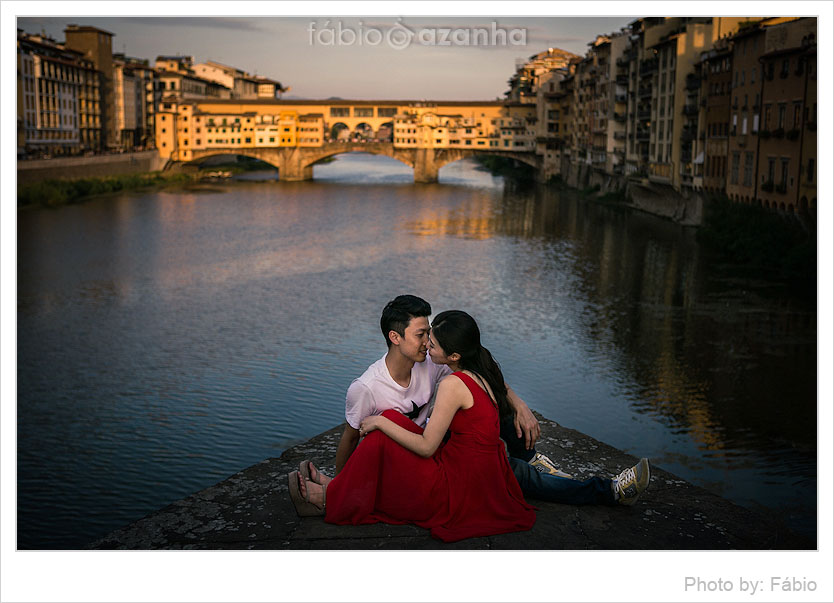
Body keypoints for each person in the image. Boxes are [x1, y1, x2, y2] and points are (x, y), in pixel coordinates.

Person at [289, 310, 536, 542]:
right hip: (469, 470)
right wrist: (386, 420)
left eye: (433, 342)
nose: (427, 344)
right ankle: (338, 485)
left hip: (456, 488)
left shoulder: (453, 384)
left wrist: (381, 423)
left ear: (454, 356)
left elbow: (428, 447)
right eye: (425, 335)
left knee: (381, 431)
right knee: (392, 418)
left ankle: (329, 499)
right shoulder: (478, 369)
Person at [333, 294, 560, 477]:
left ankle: (529, 460)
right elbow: (351, 437)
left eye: (428, 334)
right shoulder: (366, 388)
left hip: (434, 441)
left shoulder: (430, 360)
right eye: (421, 335)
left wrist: (519, 405)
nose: (428, 342)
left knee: (488, 406)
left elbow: (481, 376)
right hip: (403, 453)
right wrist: (339, 483)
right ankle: (522, 475)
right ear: (395, 337)